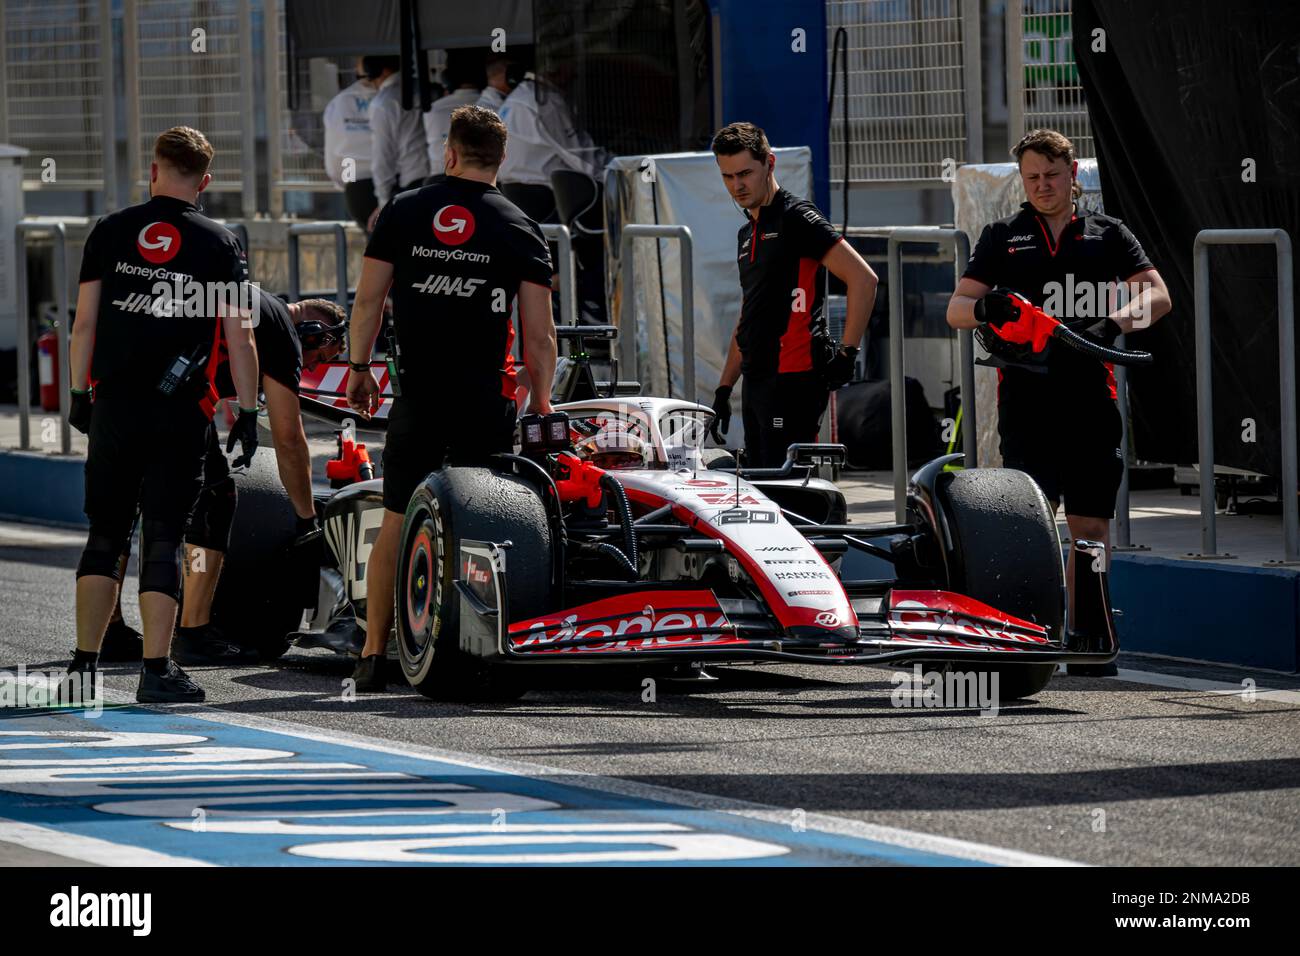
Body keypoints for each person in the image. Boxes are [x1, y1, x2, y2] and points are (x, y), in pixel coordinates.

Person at [345, 105, 558, 692]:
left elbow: (367, 303)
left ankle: (371, 654)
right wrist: (543, 402)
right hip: (485, 397)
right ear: (502, 158)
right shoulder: (519, 226)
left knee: (396, 517)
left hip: (419, 396)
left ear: (448, 152)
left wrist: (359, 368)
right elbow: (539, 336)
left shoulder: (404, 211)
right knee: (485, 521)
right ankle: (479, 644)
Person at [945, 128, 1171, 676]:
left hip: (1092, 398)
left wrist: (1111, 325)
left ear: (1073, 174)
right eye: (1032, 178)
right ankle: (1031, 633)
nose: (1043, 186)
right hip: (1025, 401)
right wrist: (989, 311)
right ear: (1022, 181)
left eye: (1052, 175)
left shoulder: (1107, 232)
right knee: (1032, 523)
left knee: (1089, 524)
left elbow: (1159, 295)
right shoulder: (1003, 235)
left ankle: (1091, 633)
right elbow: (956, 309)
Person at [64, 126, 260, 703]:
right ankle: (155, 671)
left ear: (152, 171)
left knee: (104, 533)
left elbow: (82, 324)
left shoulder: (109, 231)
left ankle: (82, 669)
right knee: (165, 537)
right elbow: (241, 334)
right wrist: (247, 411)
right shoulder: (223, 243)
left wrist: (79, 393)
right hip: (179, 413)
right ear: (205, 181)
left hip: (114, 406)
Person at [709, 121, 879, 467]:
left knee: (786, 490)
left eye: (744, 173)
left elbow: (864, 279)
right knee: (761, 486)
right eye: (728, 177)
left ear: (769, 163)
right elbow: (749, 313)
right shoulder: (747, 233)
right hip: (757, 381)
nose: (737, 185)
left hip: (793, 381)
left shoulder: (798, 218)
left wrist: (847, 354)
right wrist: (724, 388)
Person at [497, 71, 610, 191]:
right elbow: (582, 159)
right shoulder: (544, 102)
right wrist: (616, 170)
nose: (575, 74)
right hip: (550, 196)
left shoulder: (516, 98)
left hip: (518, 195)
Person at [367, 55, 429, 232]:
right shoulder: (428, 89)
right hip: (441, 177)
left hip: (410, 185)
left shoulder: (383, 102)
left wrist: (384, 202)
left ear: (380, 70)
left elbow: (382, 158)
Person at [324, 58, 380, 230]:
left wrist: (346, 183)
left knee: (374, 248)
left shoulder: (340, 102)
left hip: (356, 185)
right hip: (397, 183)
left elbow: (333, 159)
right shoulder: (398, 98)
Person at [423, 50, 484, 178]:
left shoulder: (433, 109)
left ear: (447, 79)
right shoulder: (495, 107)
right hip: (481, 179)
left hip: (440, 179)